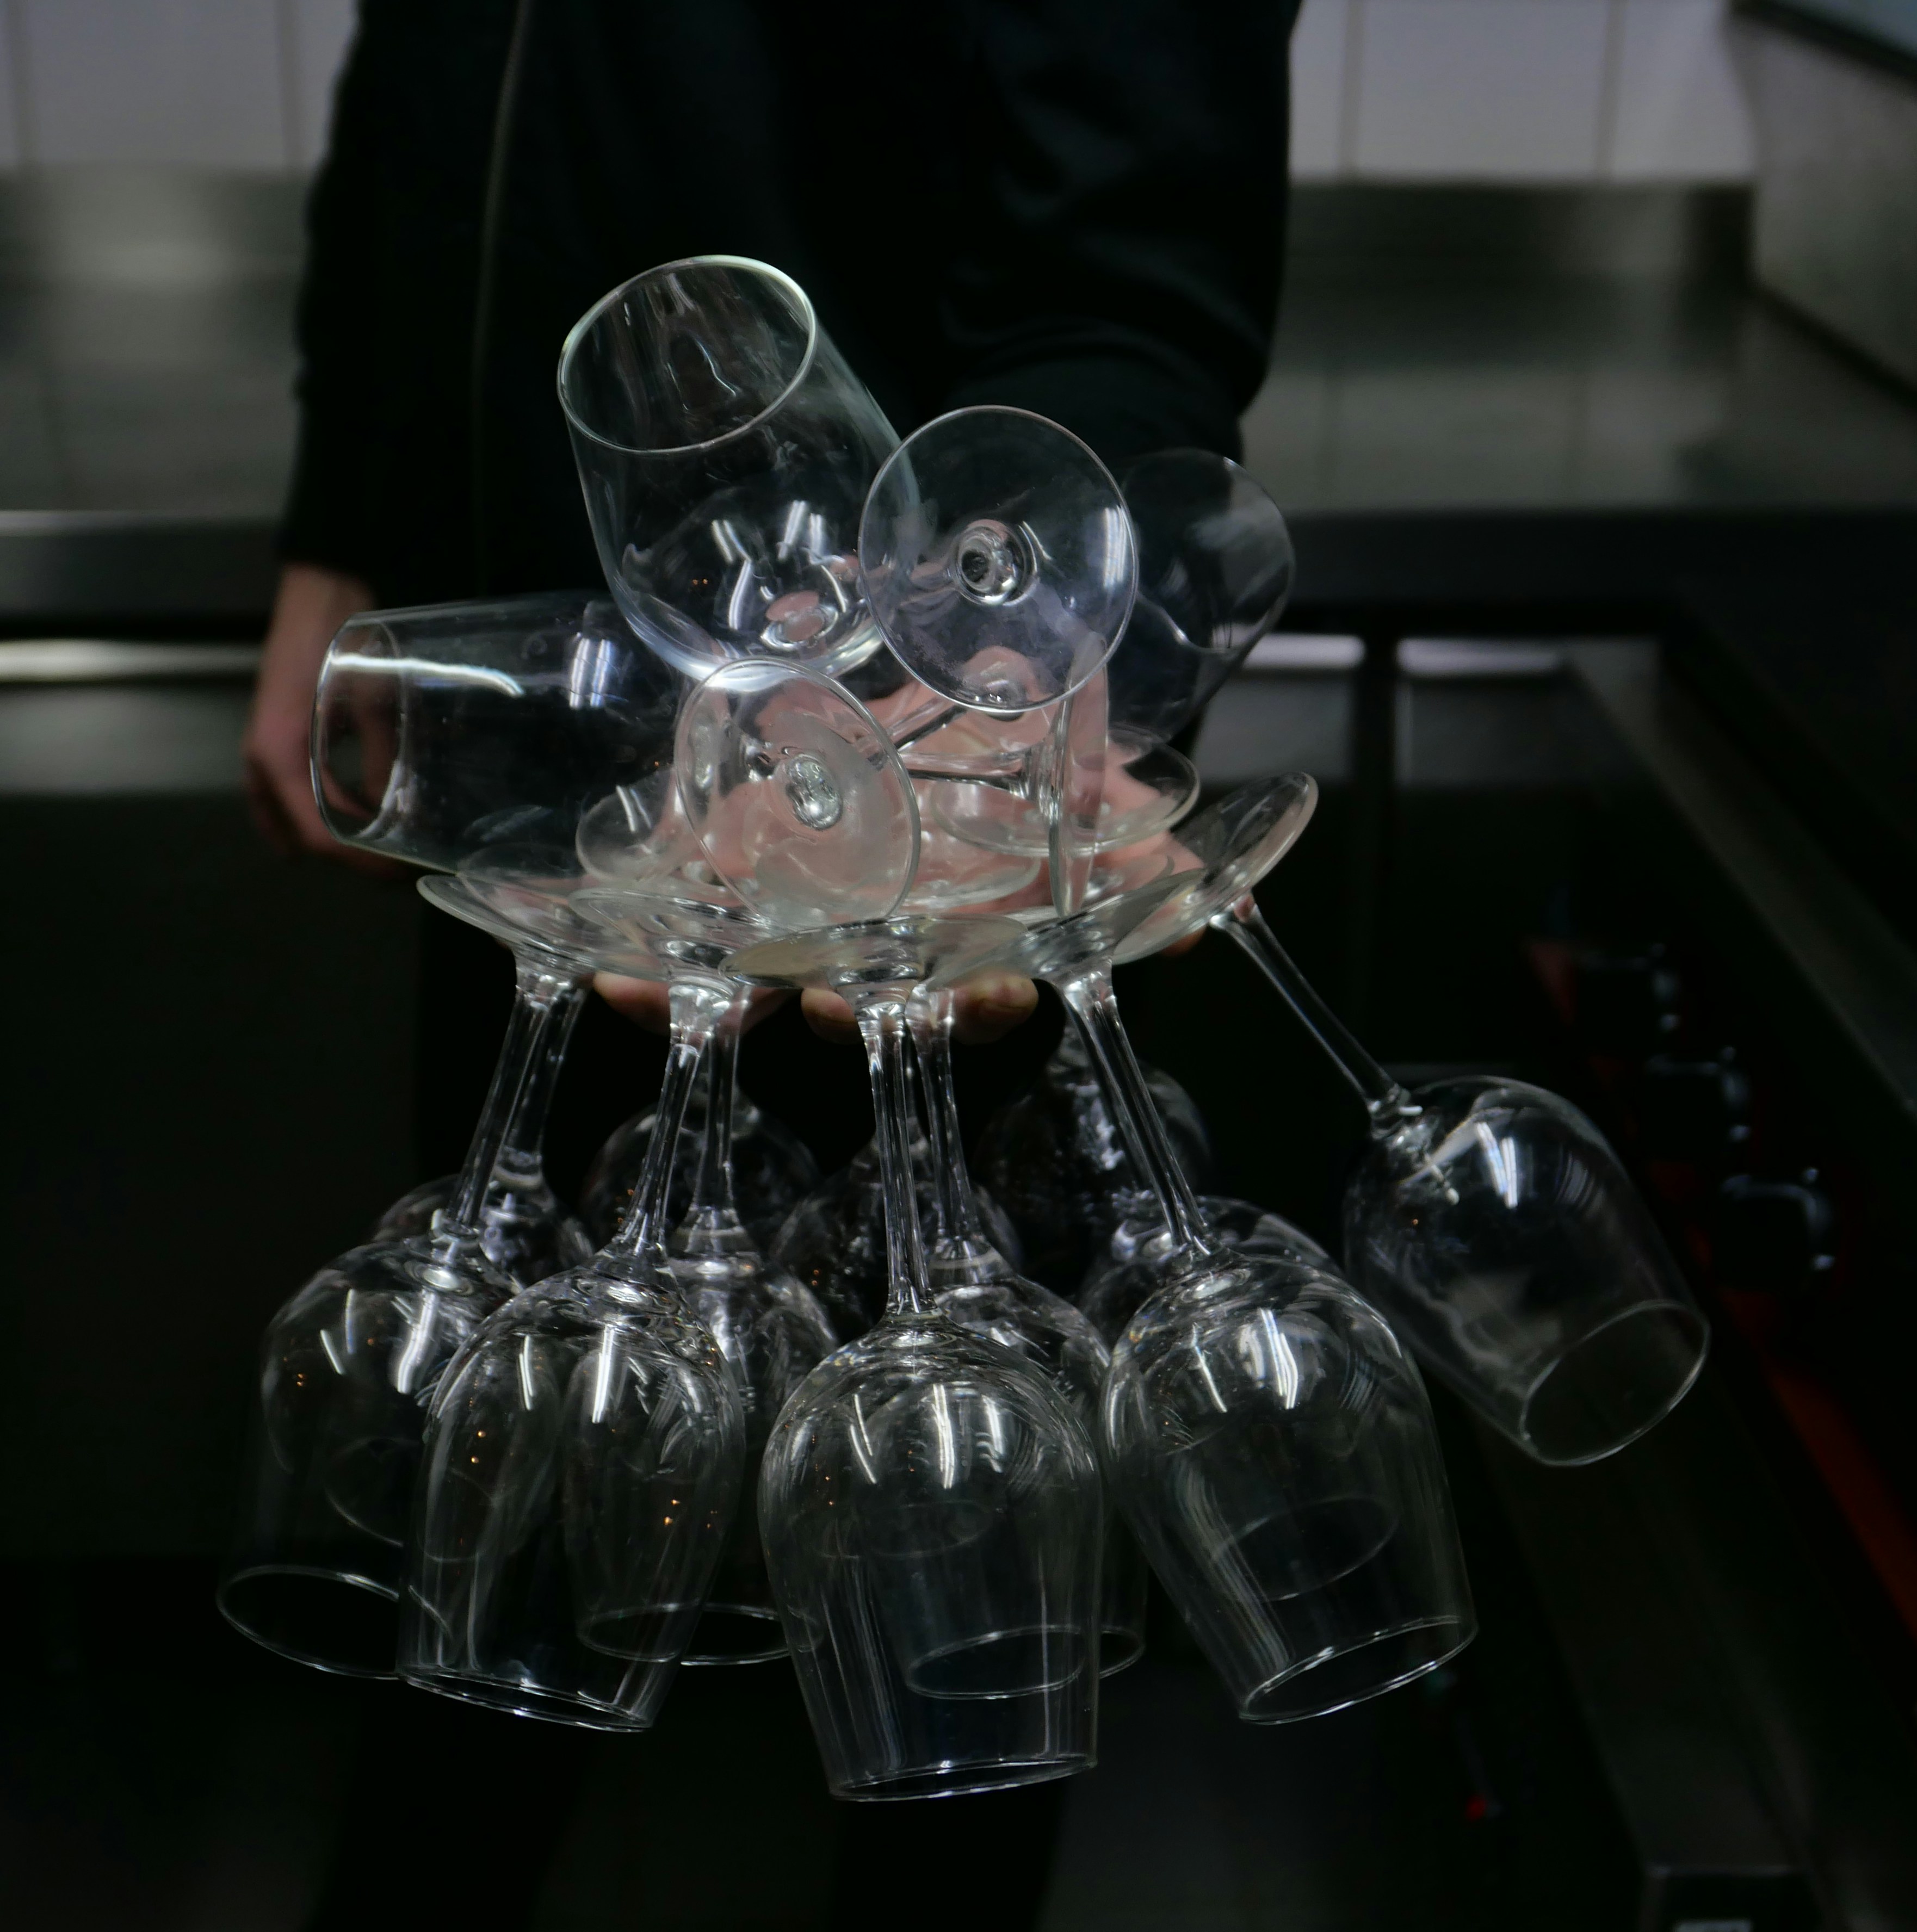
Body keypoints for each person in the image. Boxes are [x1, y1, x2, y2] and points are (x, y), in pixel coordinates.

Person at [241, 3, 1294, 1925]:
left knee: (944, 1576)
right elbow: (440, 69)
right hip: (558, 755)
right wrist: (349, 518)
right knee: (504, 1558)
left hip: (888, 774)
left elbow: (1131, 231)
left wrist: (992, 665)